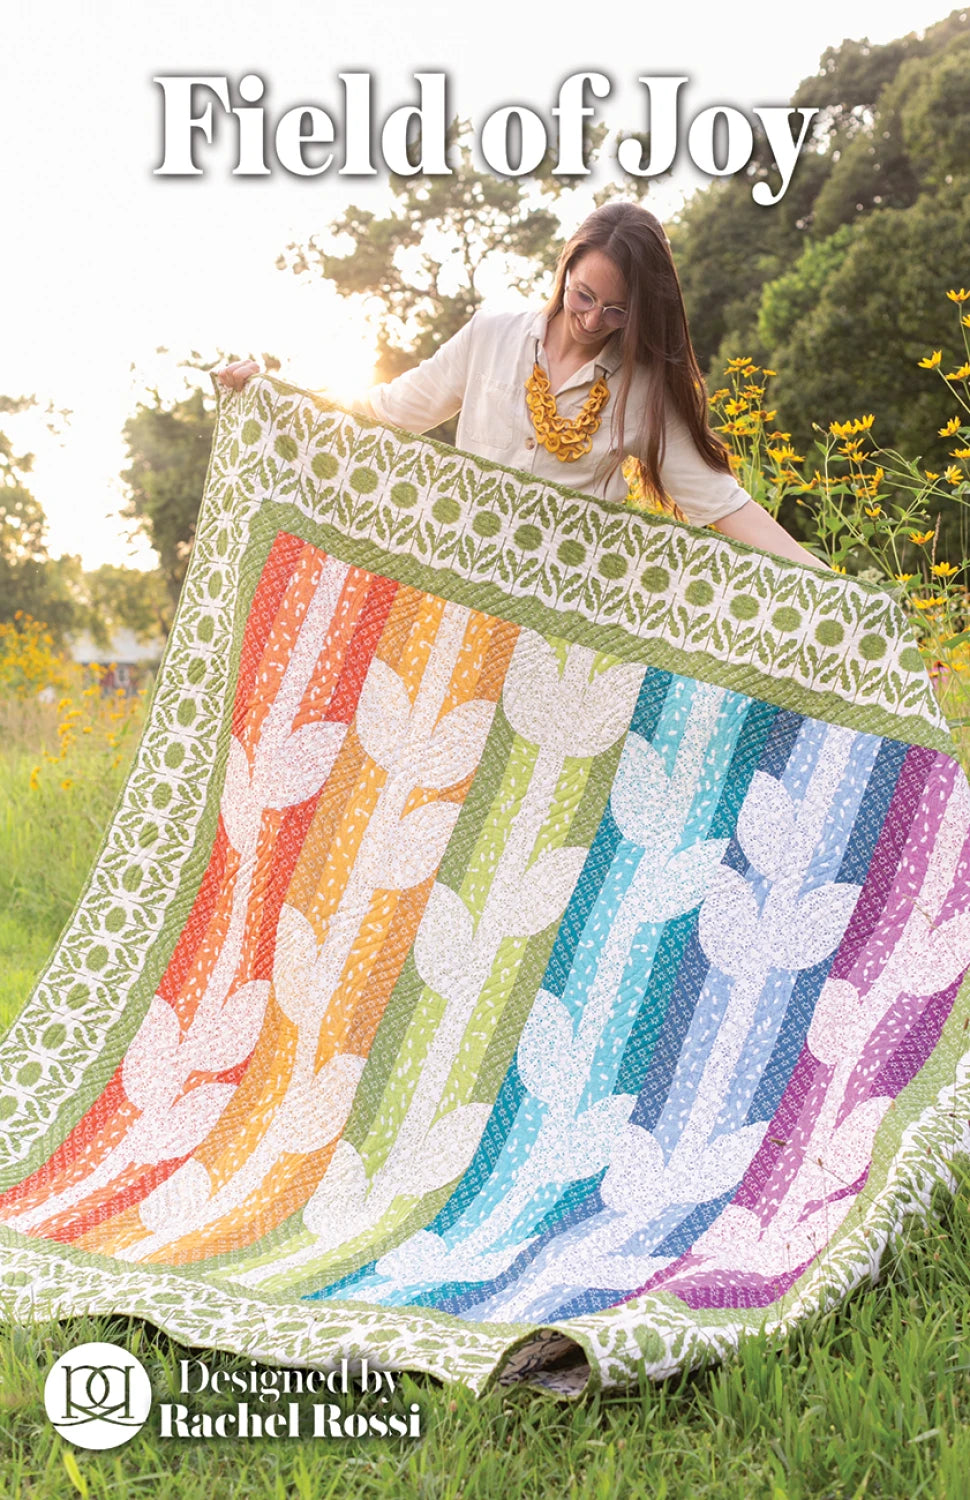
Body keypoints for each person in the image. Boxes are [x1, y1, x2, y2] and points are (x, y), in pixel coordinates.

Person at [218, 202, 822, 569]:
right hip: (461, 583)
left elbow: (724, 506)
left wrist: (832, 587)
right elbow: (385, 411)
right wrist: (275, 393)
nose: (591, 321)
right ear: (566, 269)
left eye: (617, 312)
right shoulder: (492, 335)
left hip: (569, 616)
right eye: (584, 296)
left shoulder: (642, 393)